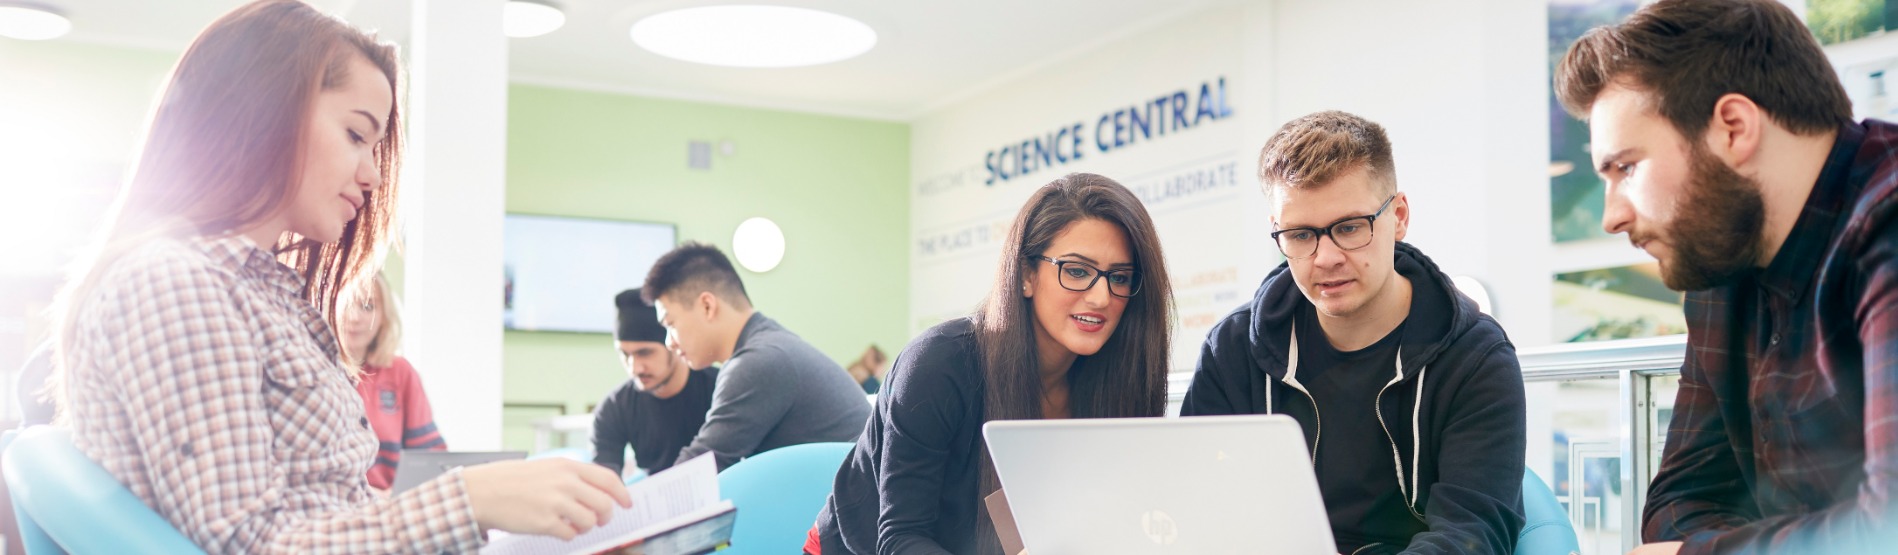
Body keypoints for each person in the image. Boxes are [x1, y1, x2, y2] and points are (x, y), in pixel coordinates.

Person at [47, 2, 629, 552]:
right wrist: (470, 499)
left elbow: (323, 508)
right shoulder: (174, 285)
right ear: (264, 107)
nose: (374, 175)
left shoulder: (254, 291)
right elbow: (248, 542)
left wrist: (486, 511)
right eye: (356, 135)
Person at [1555, 1, 1898, 553]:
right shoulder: (1722, 257)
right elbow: (1677, 506)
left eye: (1626, 168)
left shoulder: (1887, 221)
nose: (1610, 215)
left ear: (1734, 129)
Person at [1180, 111, 1526, 554]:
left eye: (1348, 228)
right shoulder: (1231, 350)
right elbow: (1197, 504)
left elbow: (1472, 534)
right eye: (1301, 235)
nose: (1325, 257)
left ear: (1398, 217)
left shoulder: (1476, 358)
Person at [812, 173, 1176, 555]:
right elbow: (900, 538)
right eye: (1077, 271)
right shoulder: (940, 364)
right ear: (1025, 276)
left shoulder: (1118, 382)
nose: (1102, 297)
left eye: (1119, 277)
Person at [641, 242, 871, 470]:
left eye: (670, 324)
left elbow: (699, 470)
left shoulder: (757, 362)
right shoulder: (772, 344)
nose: (669, 342)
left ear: (707, 306)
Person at [591, 288, 718, 477]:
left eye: (645, 353)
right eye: (625, 354)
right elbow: (603, 480)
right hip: (657, 499)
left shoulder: (720, 388)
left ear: (673, 344)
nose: (635, 368)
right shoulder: (615, 407)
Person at [340, 272, 446, 491]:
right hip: (335, 505)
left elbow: (429, 458)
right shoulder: (313, 370)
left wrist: (394, 495)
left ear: (384, 316)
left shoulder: (400, 372)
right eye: (346, 304)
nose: (355, 317)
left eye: (368, 307)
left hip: (392, 506)